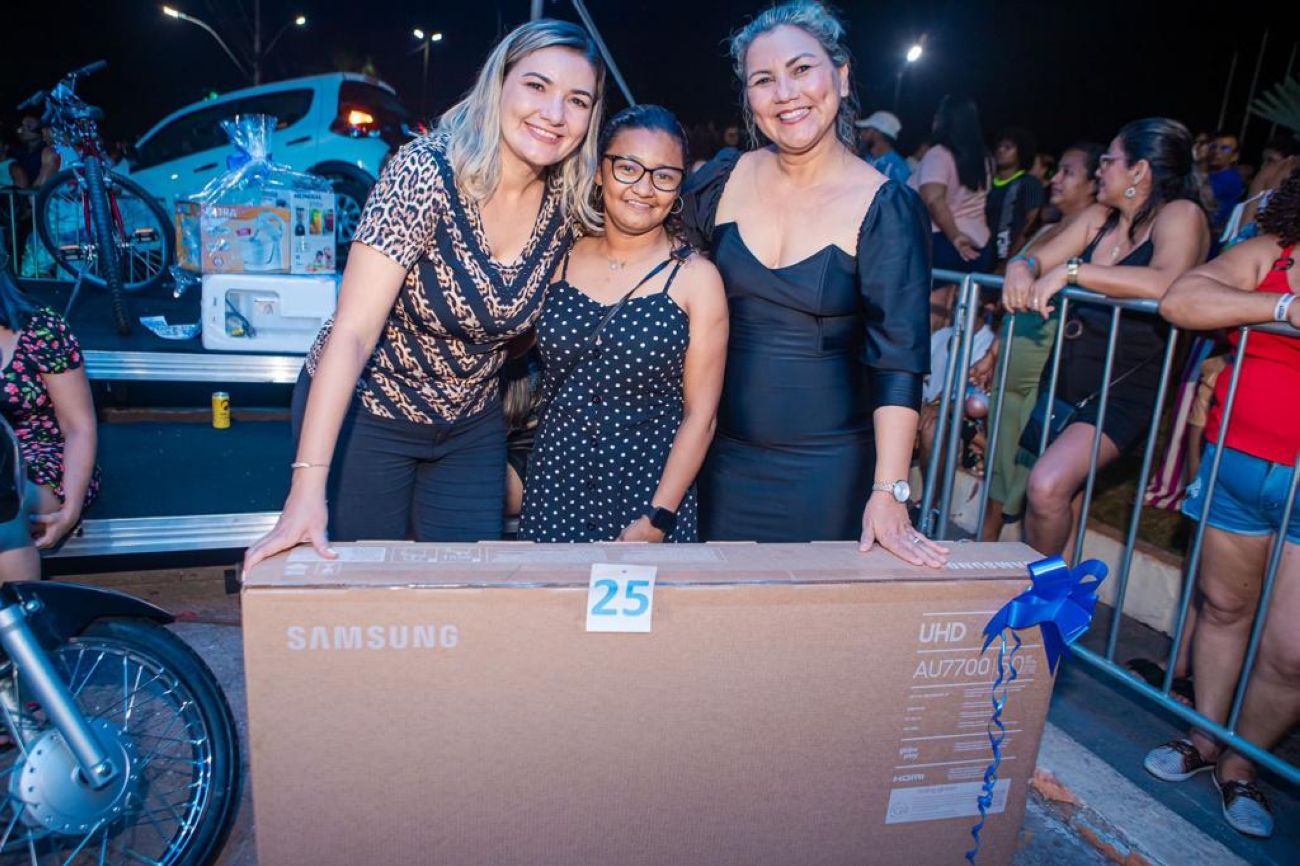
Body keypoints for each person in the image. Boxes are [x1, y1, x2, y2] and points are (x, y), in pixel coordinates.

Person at [243, 19, 605, 570]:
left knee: (459, 591)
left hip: (469, 422)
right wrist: (306, 488)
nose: (554, 113)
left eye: (577, 100)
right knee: (365, 593)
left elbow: (522, 323)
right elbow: (352, 332)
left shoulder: (567, 203)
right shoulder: (426, 172)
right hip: (369, 411)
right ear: (499, 85)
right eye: (537, 85)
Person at [682, 1, 945, 566]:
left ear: (841, 77)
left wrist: (889, 490)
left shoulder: (886, 206)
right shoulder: (720, 179)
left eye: (802, 69)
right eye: (763, 79)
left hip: (831, 473)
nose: (786, 94)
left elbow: (899, 362)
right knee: (720, 617)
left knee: (811, 620)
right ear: (749, 97)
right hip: (720, 464)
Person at [1142, 165, 1300, 840]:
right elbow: (1183, 299)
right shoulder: (1273, 252)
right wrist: (1283, 309)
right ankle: (1206, 737)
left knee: (1292, 652)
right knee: (1224, 609)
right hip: (1236, 466)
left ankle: (1243, 760)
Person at [1002, 118, 1209, 558]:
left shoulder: (1179, 214)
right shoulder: (1098, 218)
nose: (1100, 169)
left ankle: (1042, 589)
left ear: (1139, 170)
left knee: (1046, 485)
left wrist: (1073, 272)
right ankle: (1064, 598)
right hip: (1066, 377)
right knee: (1065, 496)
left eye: (1109, 161)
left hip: (1123, 389)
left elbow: (1167, 282)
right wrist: (1021, 268)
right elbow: (1036, 259)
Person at [520, 106, 727, 543]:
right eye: (628, 168)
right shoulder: (558, 258)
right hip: (555, 484)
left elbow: (701, 417)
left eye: (664, 176)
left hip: (647, 493)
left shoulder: (696, 279)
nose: (644, 189)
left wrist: (658, 517)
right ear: (600, 172)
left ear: (679, 187)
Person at [982, 143, 1103, 541]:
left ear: (1094, 183)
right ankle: (987, 540)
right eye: (1058, 171)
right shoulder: (1050, 228)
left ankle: (1014, 551)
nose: (1055, 180)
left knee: (1029, 456)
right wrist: (994, 350)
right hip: (1014, 349)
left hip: (1046, 358)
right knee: (1000, 448)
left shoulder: (1096, 232)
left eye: (1069, 172)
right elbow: (1017, 291)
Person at [0, 260, 99, 550]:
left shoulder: (41, 328)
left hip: (40, 455)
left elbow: (78, 426)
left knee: (3, 497)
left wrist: (70, 512)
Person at [909, 95, 993, 274]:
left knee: (935, 293)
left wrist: (956, 237)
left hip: (945, 242)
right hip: (979, 242)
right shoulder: (984, 159)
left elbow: (933, 200)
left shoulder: (939, 154)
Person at [986, 127, 1045, 270]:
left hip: (1008, 258)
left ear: (1021, 152)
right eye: (999, 147)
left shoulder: (1029, 183)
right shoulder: (987, 182)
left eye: (1008, 147)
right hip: (982, 255)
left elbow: (1031, 223)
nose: (1001, 151)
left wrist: (1010, 259)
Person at [1206, 131, 1245, 237]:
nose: (1216, 152)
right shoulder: (1210, 174)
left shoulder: (1230, 178)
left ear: (1234, 156)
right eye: (1213, 147)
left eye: (1225, 149)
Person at [855, 110, 909, 184]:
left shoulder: (898, 167)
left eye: (866, 129)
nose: (861, 133)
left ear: (878, 134)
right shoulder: (867, 158)